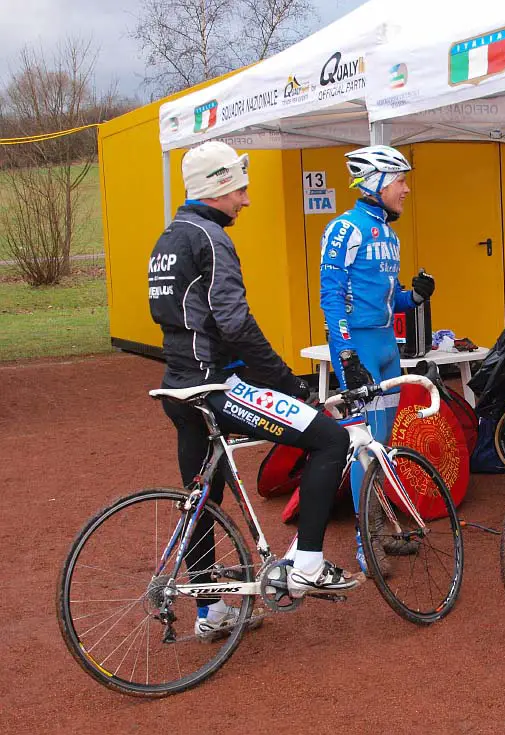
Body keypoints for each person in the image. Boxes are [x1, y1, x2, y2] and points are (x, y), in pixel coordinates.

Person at [149, 141, 358, 642]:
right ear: (218, 187)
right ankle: (308, 561)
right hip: (215, 387)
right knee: (331, 439)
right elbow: (235, 321)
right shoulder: (211, 238)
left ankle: (210, 611)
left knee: (203, 498)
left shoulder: (169, 237)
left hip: (178, 388)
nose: (246, 199)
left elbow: (190, 320)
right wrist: (289, 383)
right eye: (240, 189)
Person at [319, 144, 436, 576]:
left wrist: (415, 297)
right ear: (376, 182)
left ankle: (382, 529)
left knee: (382, 447)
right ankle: (366, 544)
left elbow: (391, 299)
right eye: (400, 180)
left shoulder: (389, 233)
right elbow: (330, 298)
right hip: (361, 348)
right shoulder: (343, 229)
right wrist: (345, 352)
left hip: (388, 346)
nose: (406, 189)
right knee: (364, 449)